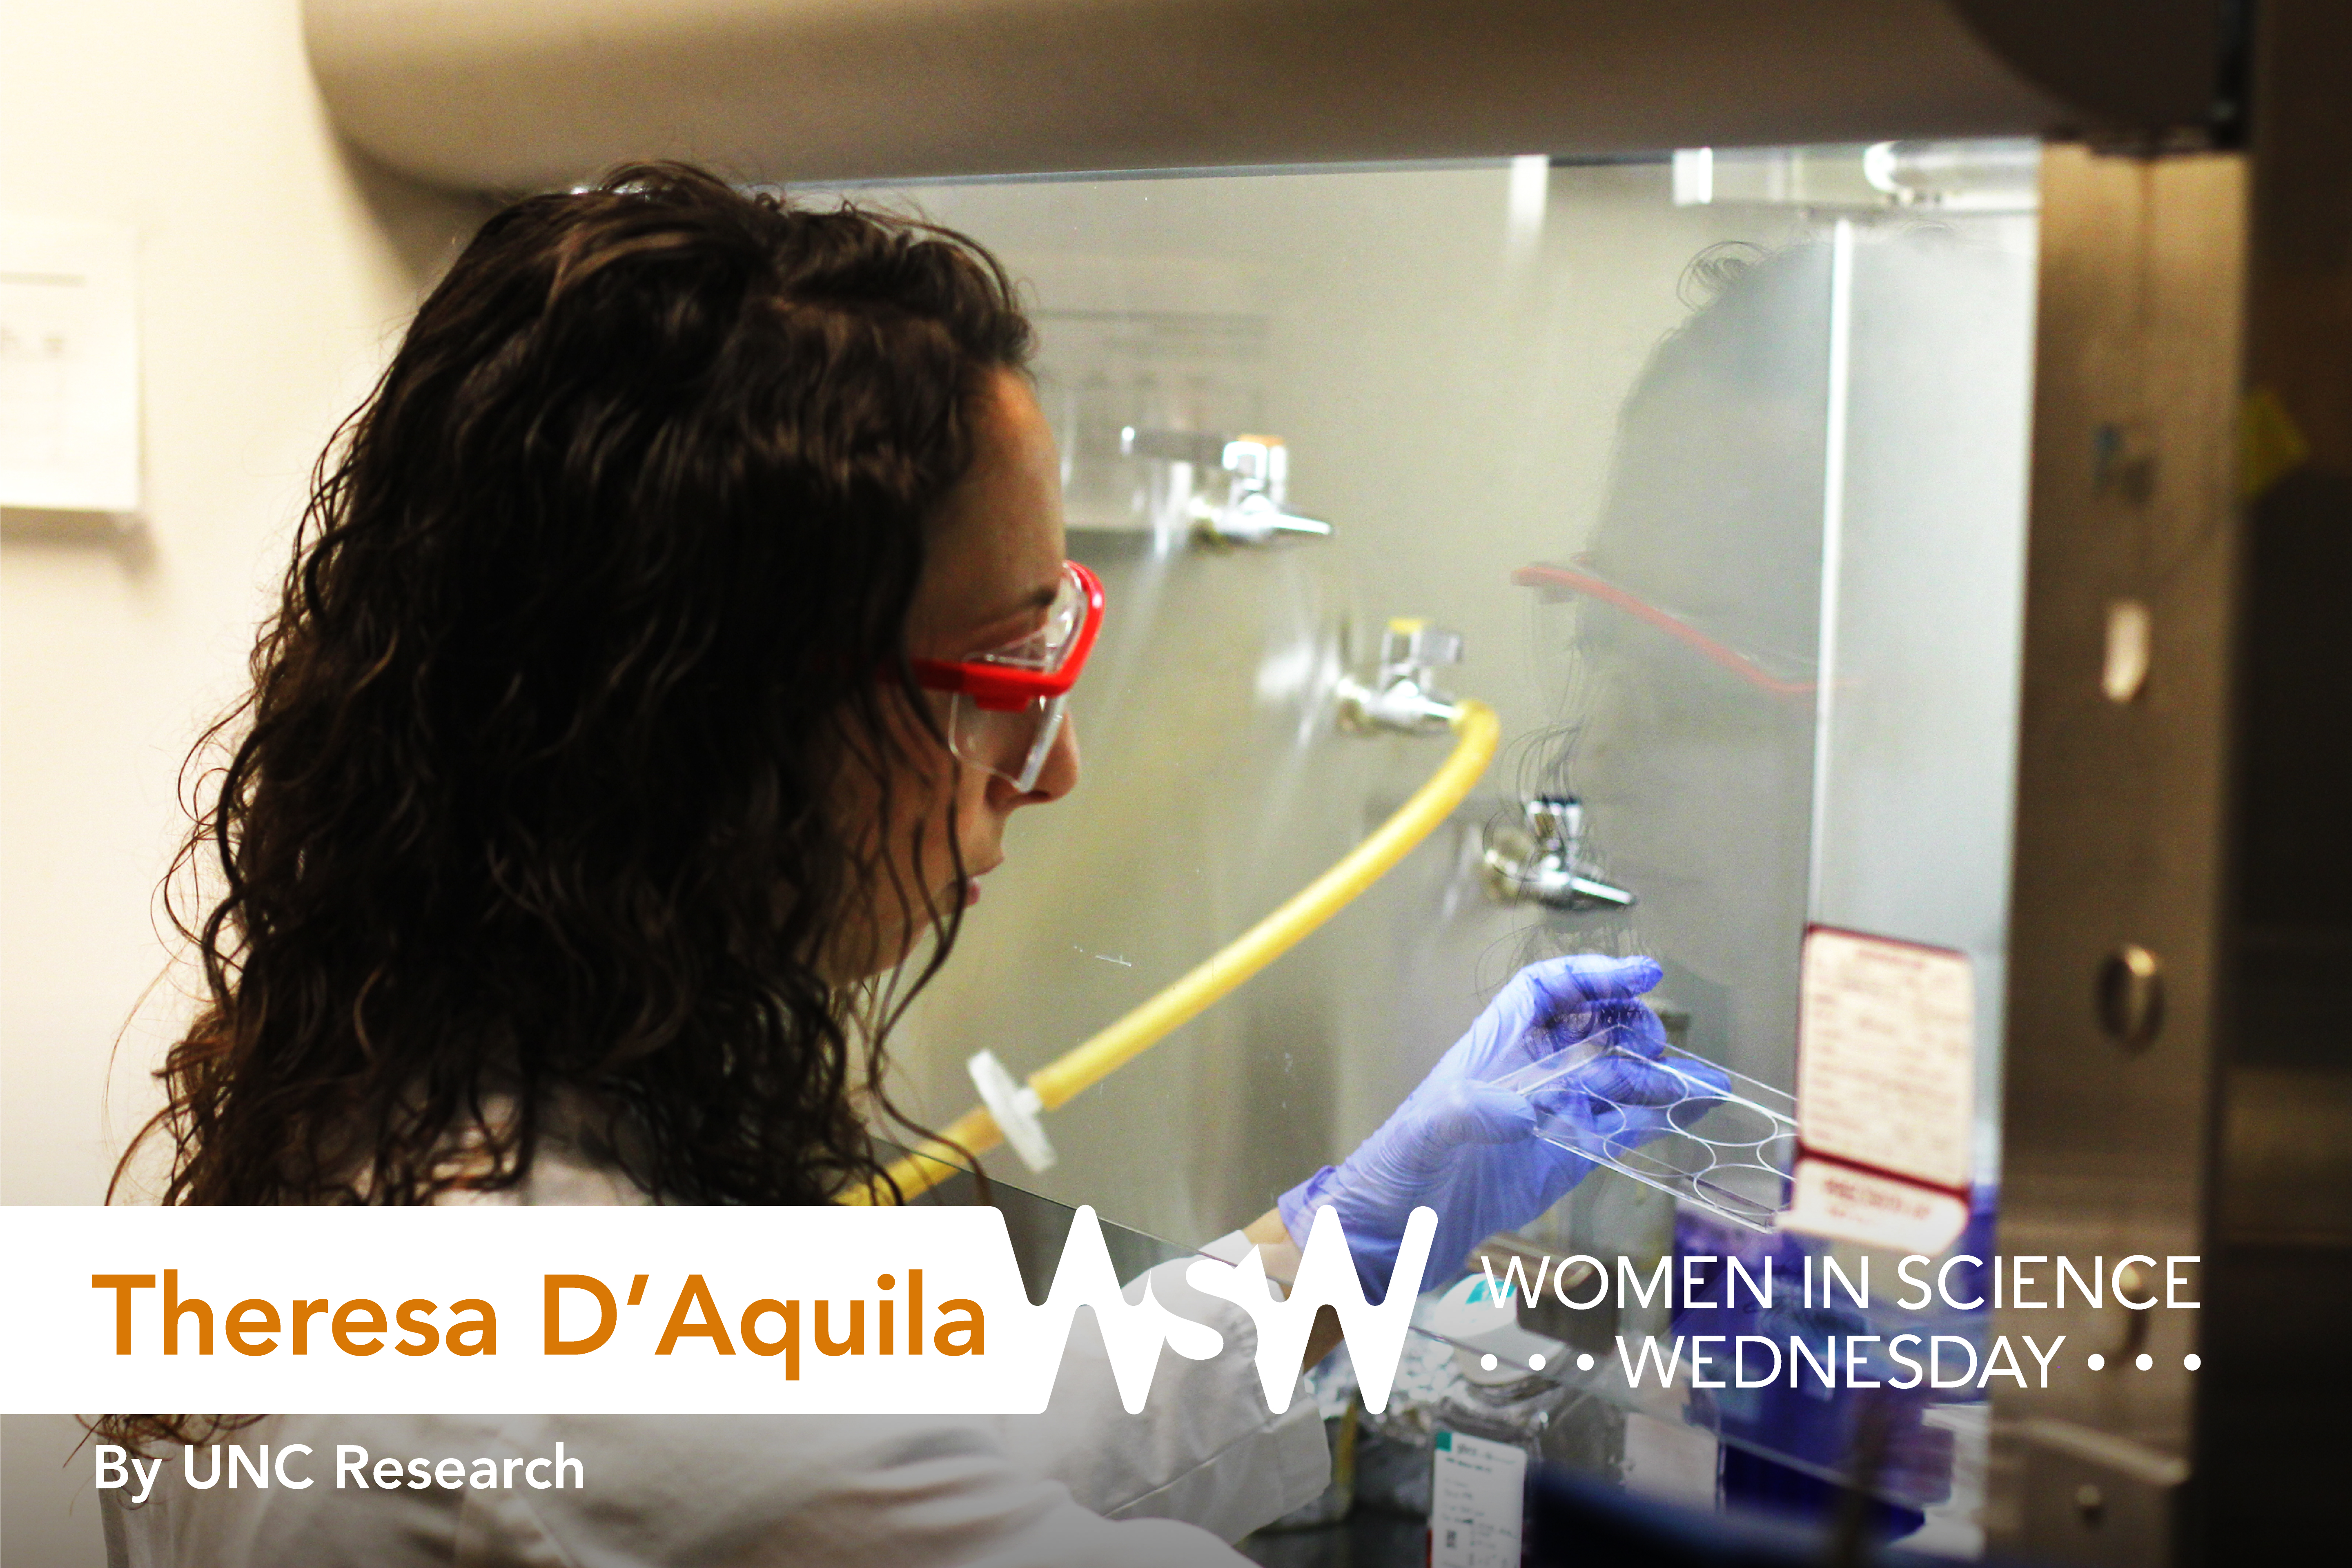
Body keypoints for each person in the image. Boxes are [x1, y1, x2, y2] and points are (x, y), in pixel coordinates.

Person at [107, 164, 1669, 1566]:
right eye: (1001, 678)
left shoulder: (395, 1113)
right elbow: (824, 1478)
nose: (1055, 767)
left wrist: (1345, 1243)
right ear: (714, 723)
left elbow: (934, 1443)